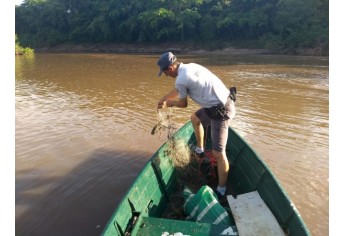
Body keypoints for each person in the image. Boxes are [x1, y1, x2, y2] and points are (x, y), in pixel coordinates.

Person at [156, 51, 236, 199]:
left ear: (170, 68)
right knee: (195, 118)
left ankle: (222, 190)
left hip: (221, 111)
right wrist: (164, 98)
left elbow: (183, 103)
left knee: (218, 153)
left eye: (165, 72)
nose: (166, 75)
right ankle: (200, 149)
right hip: (219, 104)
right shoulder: (189, 67)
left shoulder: (180, 79)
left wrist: (167, 104)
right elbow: (180, 89)